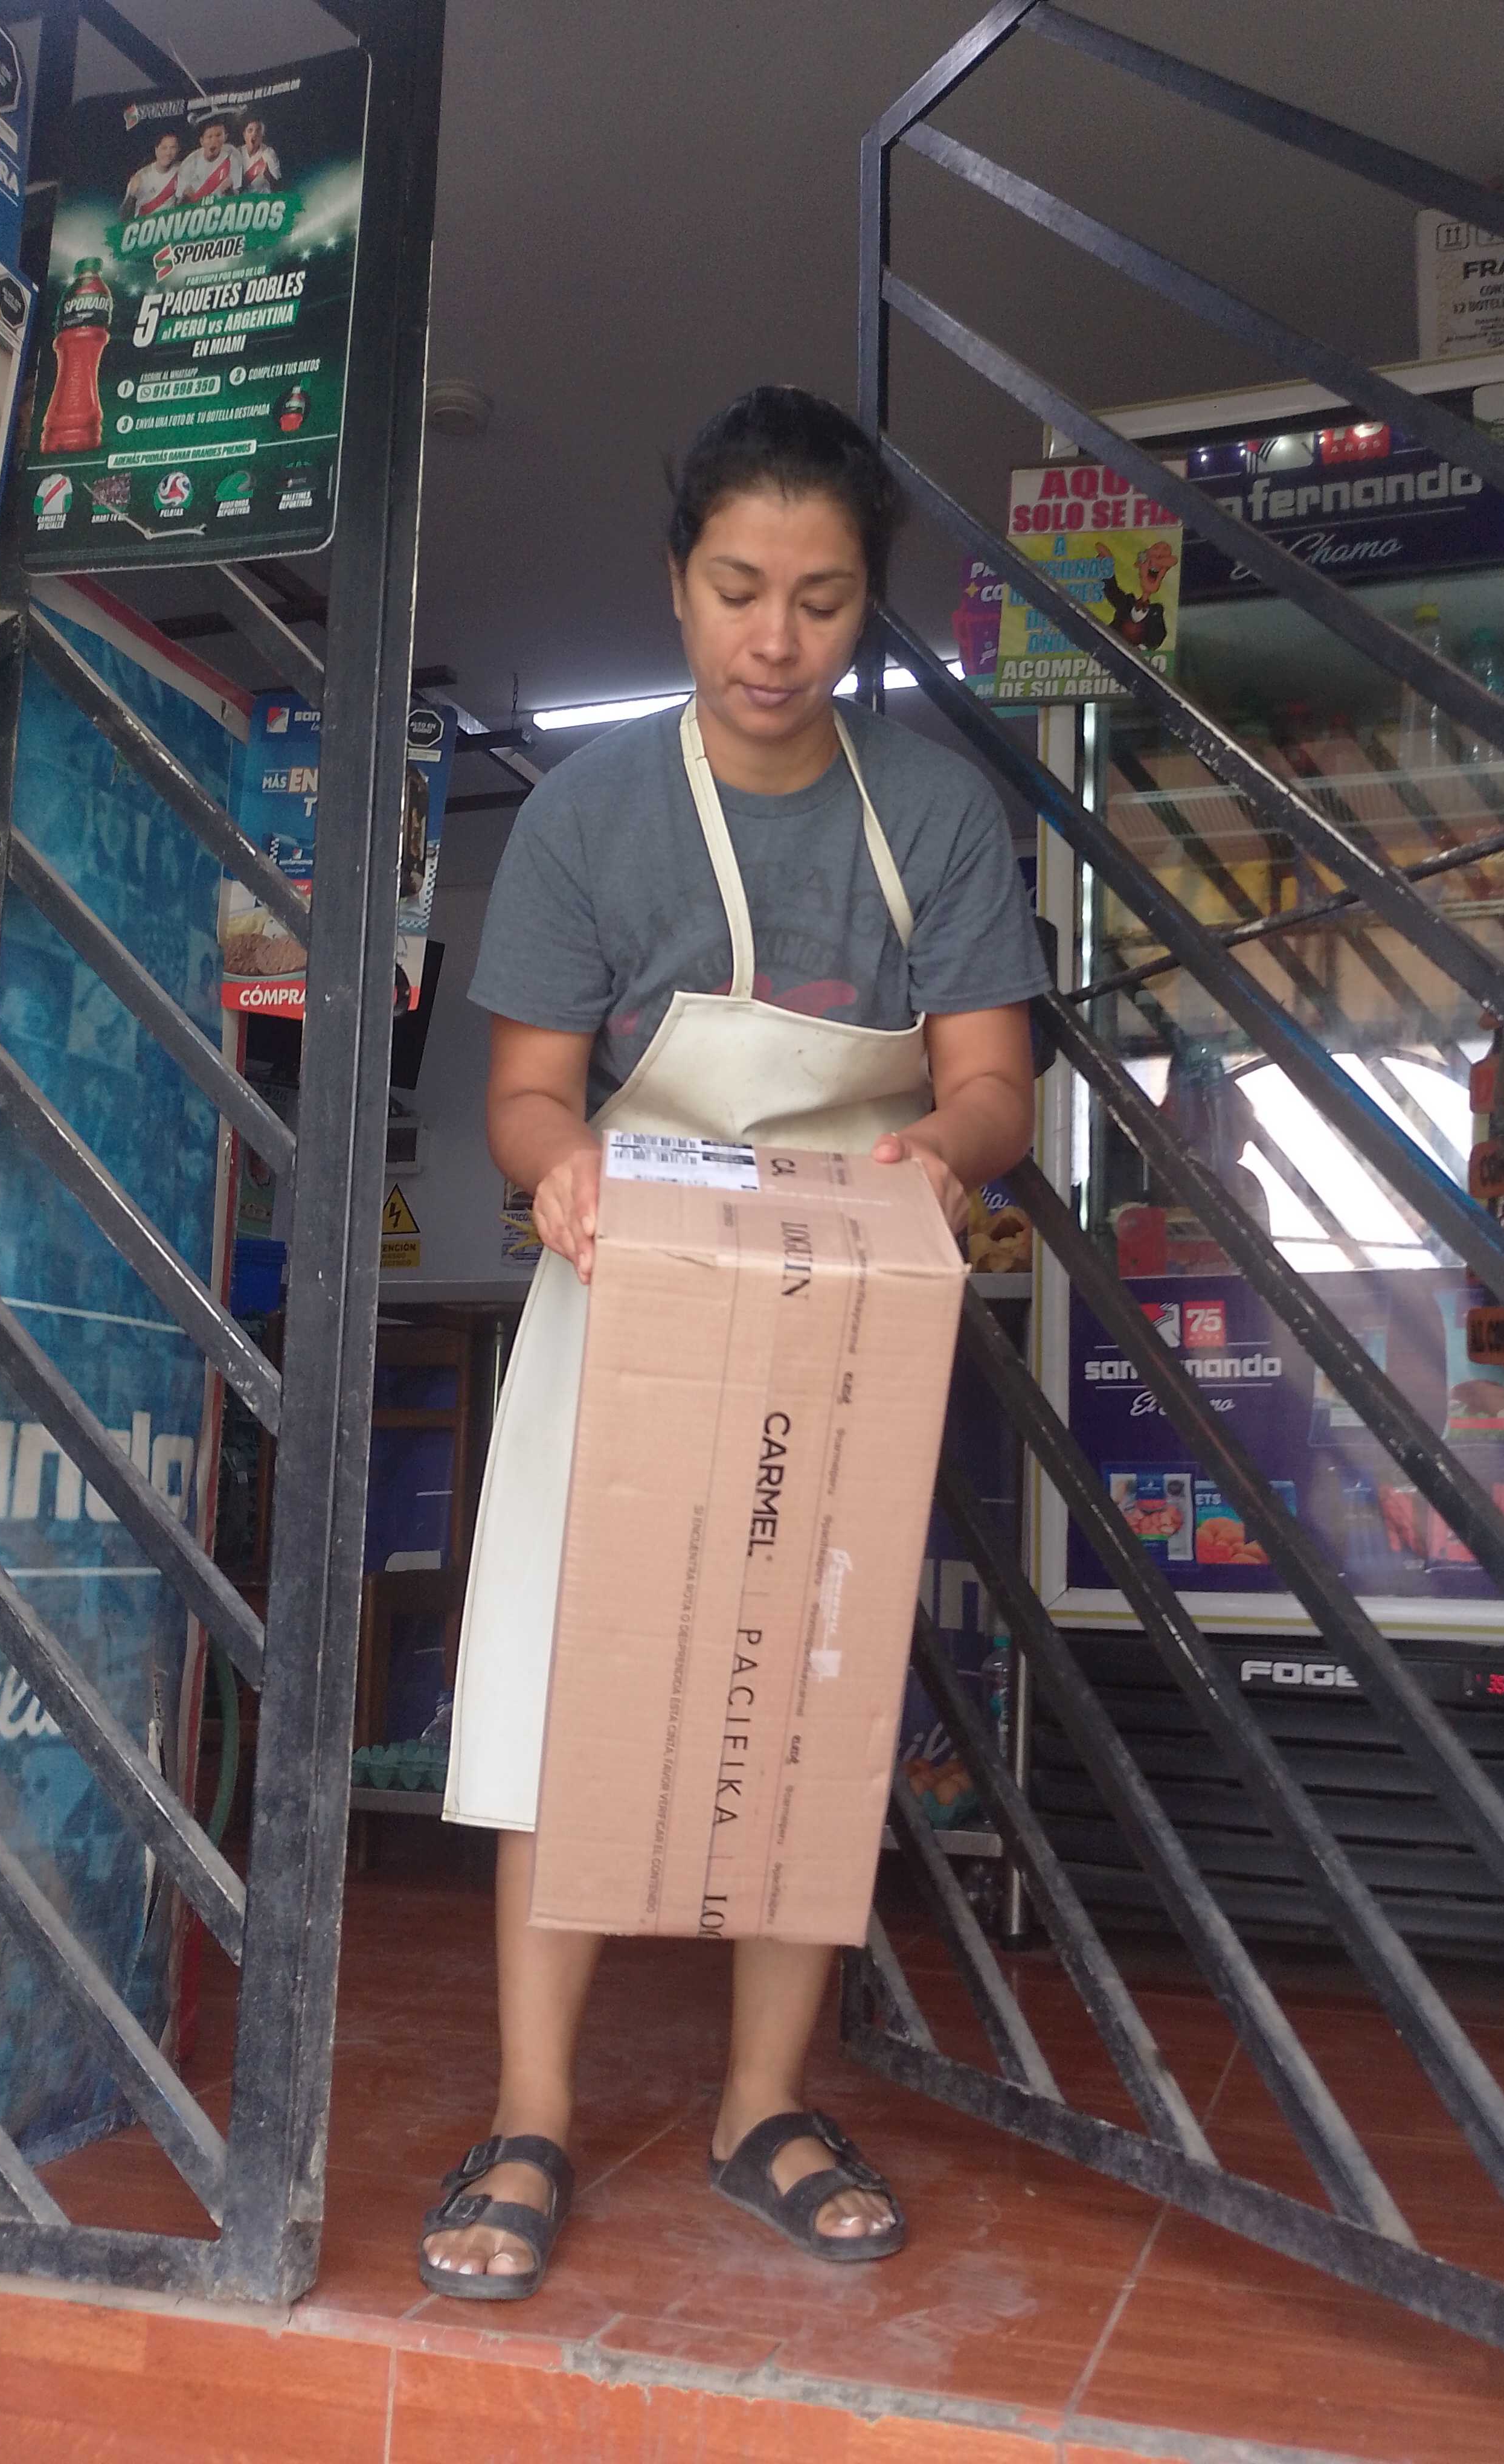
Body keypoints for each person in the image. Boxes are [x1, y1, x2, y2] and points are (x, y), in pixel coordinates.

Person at [420, 387, 1049, 2301]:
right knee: (557, 1704)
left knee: (807, 1703)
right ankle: (530, 2115)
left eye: (822, 601)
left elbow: (993, 1083)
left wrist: (943, 1155)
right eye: (737, 591)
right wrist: (561, 1174)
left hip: (841, 1302)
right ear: (677, 587)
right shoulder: (588, 815)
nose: (776, 639)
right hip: (623, 1281)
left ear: (868, 607)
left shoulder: (932, 812)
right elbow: (528, 1095)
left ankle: (762, 2105)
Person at [176, 118, 242, 204]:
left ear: (225, 137)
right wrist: (186, 197)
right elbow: (179, 204)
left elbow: (236, 197)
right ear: (202, 141)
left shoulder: (233, 155)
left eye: (218, 136)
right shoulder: (188, 164)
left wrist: (229, 191)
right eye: (210, 137)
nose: (214, 141)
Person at [121, 130, 183, 219]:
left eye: (173, 148)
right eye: (164, 148)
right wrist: (132, 195)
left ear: (178, 150)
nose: (168, 153)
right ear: (156, 150)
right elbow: (123, 216)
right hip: (145, 224)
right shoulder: (142, 177)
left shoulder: (182, 169)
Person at [240, 118, 281, 192]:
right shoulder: (237, 153)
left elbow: (278, 187)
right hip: (243, 198)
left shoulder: (269, 153)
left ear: (263, 135)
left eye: (258, 131)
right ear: (244, 135)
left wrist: (268, 175)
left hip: (263, 198)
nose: (254, 134)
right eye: (250, 131)